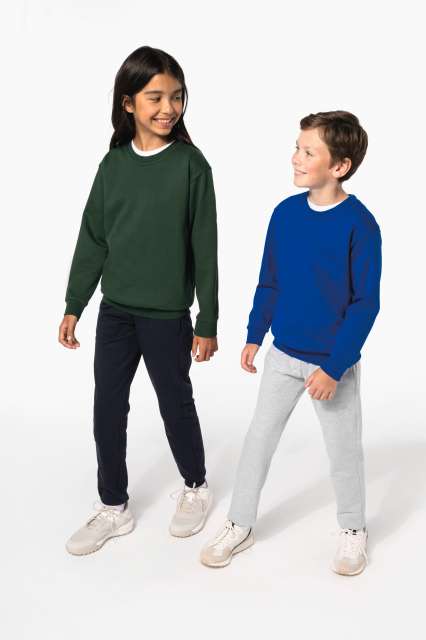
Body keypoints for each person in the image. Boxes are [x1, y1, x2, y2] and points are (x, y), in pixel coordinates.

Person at [200, 111, 381, 576]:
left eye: (308, 151)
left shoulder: (360, 225)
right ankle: (239, 523)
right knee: (258, 441)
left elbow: (365, 305)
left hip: (331, 366)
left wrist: (334, 368)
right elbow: (271, 280)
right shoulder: (284, 214)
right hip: (282, 356)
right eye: (296, 148)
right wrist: (254, 334)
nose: (296, 158)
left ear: (339, 166)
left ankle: (353, 529)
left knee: (343, 453)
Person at [59, 46, 218, 556]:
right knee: (107, 406)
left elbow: (205, 249)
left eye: (177, 96)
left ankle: (195, 485)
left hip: (167, 315)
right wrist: (74, 303)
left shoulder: (192, 166)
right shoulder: (113, 165)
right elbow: (93, 239)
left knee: (175, 403)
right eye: (155, 97)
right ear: (128, 103)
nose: (169, 107)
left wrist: (207, 320)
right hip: (116, 312)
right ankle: (113, 506)